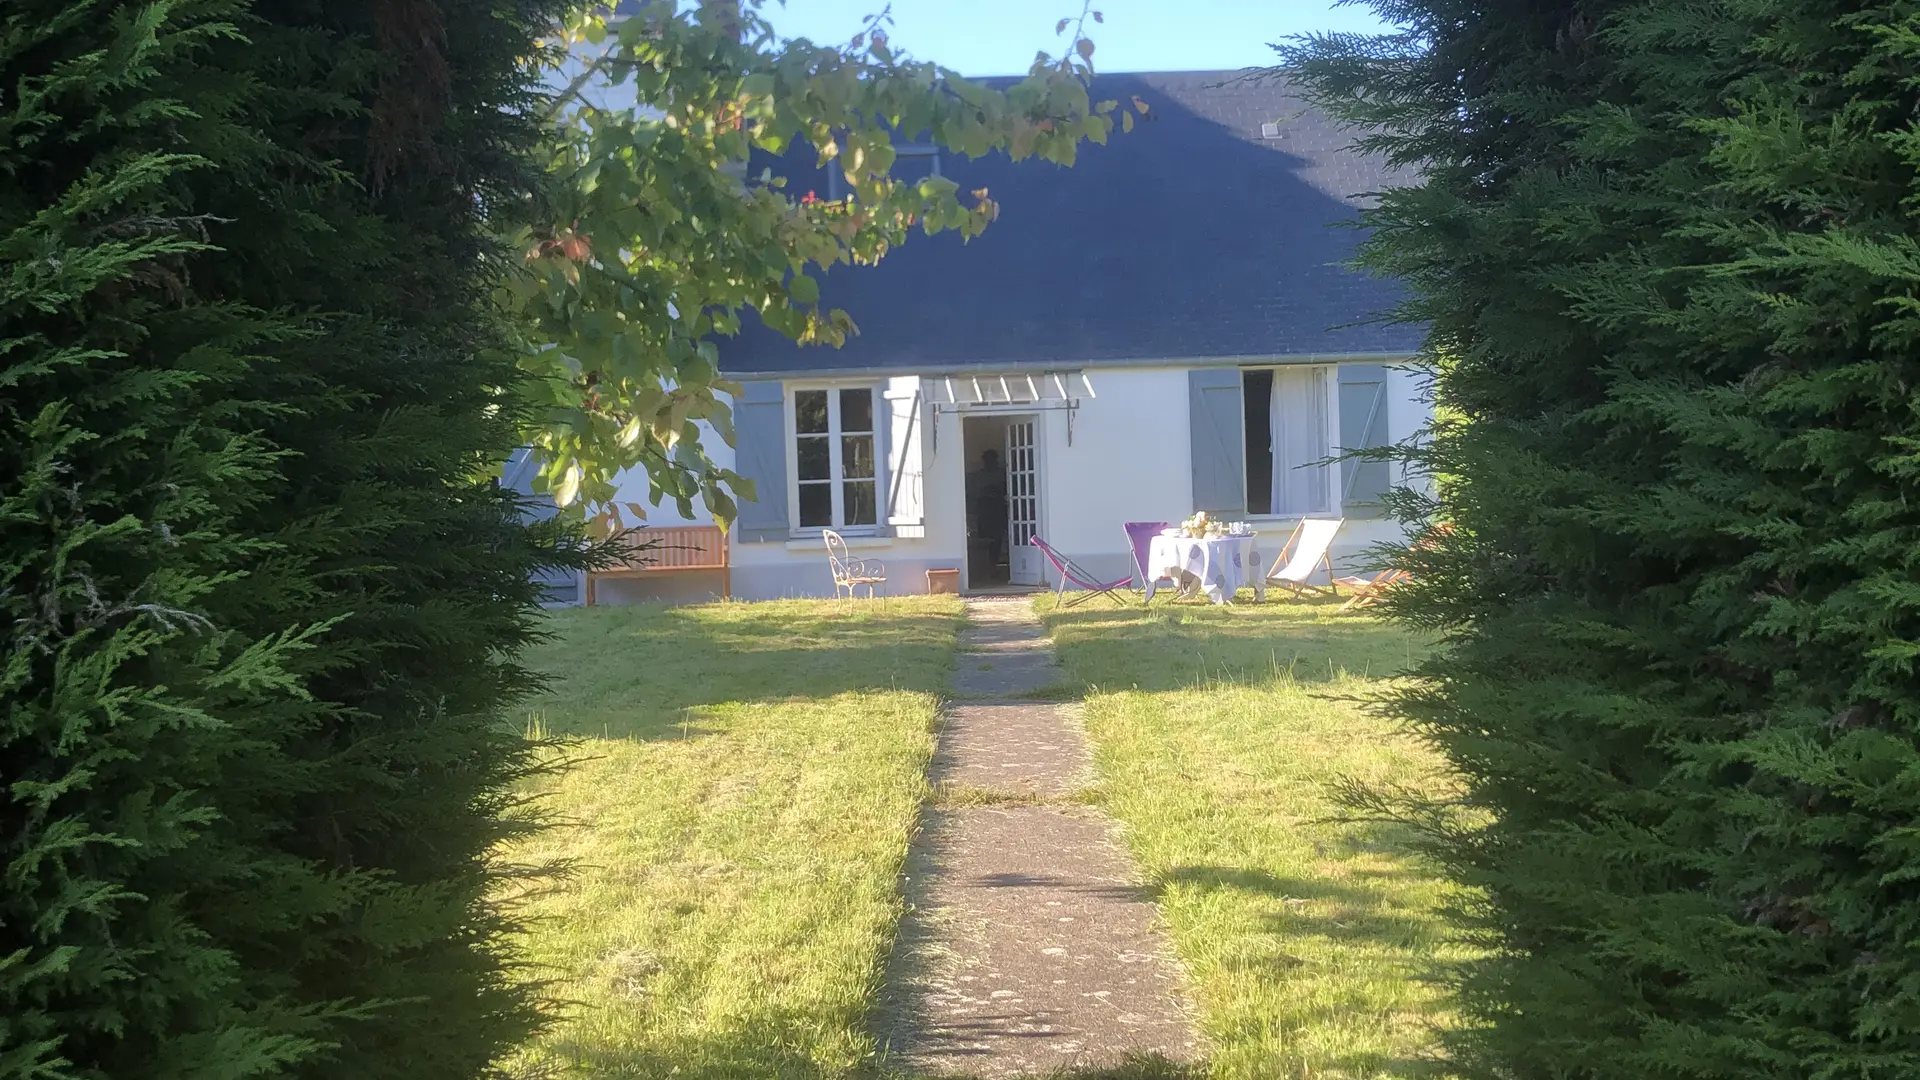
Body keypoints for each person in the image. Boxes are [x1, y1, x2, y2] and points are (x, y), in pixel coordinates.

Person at [967, 448, 1011, 569]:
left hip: (998, 511)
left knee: (998, 540)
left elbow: (1007, 489)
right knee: (985, 541)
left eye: (992, 460)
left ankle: (995, 566)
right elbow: (975, 494)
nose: (990, 462)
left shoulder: (1003, 474)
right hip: (985, 512)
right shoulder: (979, 476)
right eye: (988, 460)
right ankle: (987, 568)